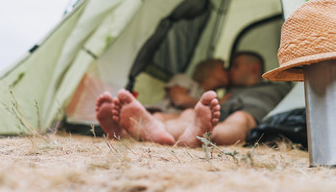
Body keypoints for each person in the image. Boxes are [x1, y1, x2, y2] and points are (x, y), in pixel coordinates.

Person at [96, 51, 292, 146]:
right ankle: (127, 130)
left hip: (247, 115)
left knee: (240, 119)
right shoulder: (230, 92)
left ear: (254, 68)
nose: (230, 71)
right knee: (189, 113)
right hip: (219, 114)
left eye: (235, 66)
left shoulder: (275, 87)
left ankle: (204, 135)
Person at [147, 58, 229, 114]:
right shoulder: (184, 79)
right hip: (161, 114)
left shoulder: (216, 100)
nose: (228, 72)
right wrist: (210, 105)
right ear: (209, 69)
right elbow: (179, 99)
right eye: (223, 68)